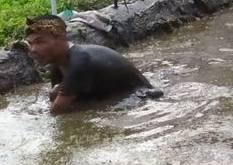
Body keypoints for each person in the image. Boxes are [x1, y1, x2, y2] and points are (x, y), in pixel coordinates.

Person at [24, 15, 161, 115]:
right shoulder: (57, 64)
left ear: (61, 39)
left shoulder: (79, 62)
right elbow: (61, 99)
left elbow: (55, 113)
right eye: (30, 44)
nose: (33, 49)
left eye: (40, 42)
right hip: (116, 98)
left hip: (143, 101)